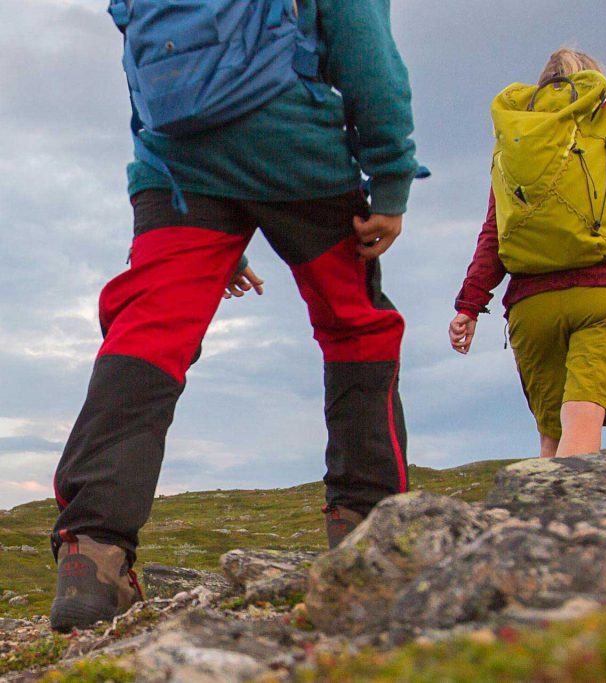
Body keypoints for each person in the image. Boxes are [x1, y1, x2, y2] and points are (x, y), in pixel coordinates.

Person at [49, 0, 418, 631]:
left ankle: (92, 554)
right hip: (294, 149)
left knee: (148, 335)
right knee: (355, 325)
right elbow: (365, 47)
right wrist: (391, 174)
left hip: (174, 162)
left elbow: (148, 59)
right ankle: (367, 529)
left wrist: (215, 229)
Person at [449, 48, 606, 459]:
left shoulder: (519, 150)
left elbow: (494, 233)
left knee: (552, 438)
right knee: (582, 420)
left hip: (532, 307)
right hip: (603, 296)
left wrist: (469, 306)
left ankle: (545, 505)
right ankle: (574, 503)